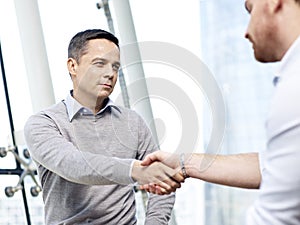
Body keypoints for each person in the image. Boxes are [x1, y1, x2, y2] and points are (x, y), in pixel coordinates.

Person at [140, 0, 300, 224]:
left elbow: (273, 219)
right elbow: (275, 166)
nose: (246, 32)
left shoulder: (295, 86)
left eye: (250, 10)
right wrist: (185, 163)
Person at [24, 29, 184, 225]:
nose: (110, 74)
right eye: (99, 64)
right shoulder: (44, 123)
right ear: (72, 66)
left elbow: (162, 182)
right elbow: (74, 165)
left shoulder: (132, 122)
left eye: (115, 66)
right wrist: (136, 171)